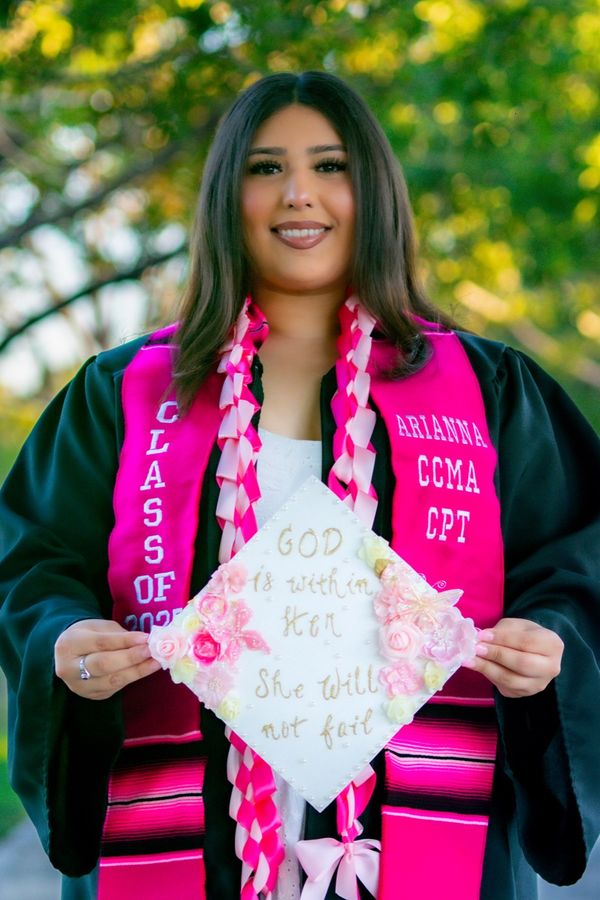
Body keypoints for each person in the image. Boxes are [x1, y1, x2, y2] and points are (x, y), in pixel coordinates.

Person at [0, 71, 598, 900]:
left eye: (330, 165)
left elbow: (575, 561)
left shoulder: (491, 392)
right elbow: (34, 560)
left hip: (419, 842)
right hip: (182, 839)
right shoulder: (124, 394)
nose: (299, 195)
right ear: (226, 195)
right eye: (265, 167)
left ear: (374, 192)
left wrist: (553, 637)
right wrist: (61, 640)